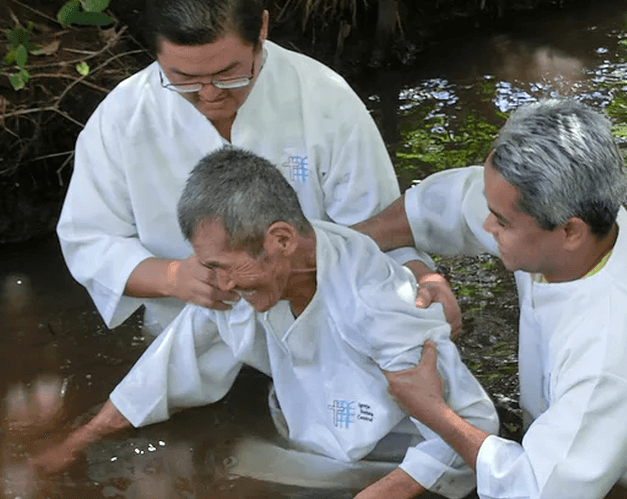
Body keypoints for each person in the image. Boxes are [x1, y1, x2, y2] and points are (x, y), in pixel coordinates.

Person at [355, 99, 627, 499]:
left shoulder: (615, 350)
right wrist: (343, 245)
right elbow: (443, 205)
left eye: (500, 221)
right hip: (602, 452)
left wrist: (434, 411)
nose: (487, 224)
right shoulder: (567, 220)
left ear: (570, 232)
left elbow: (537, 491)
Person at [37, 147, 499, 499]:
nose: (214, 282)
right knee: (214, 463)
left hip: (391, 467)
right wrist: (77, 441)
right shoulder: (245, 277)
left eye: (222, 266)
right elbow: (169, 367)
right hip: (307, 448)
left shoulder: (379, 302)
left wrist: (382, 493)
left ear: (280, 239)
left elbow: (477, 423)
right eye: (208, 265)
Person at [56, 0, 458, 337]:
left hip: (320, 324)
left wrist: (418, 276)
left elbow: (378, 225)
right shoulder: (123, 118)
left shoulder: (323, 97)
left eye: (228, 74)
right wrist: (172, 276)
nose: (209, 95)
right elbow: (89, 239)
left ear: (262, 29)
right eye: (183, 79)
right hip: (188, 333)